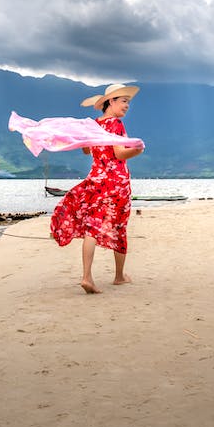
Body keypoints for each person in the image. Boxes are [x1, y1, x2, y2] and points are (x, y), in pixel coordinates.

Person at [50, 84, 144, 293]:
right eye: (124, 101)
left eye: (128, 102)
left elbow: (85, 150)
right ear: (111, 101)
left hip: (95, 181)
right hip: (116, 184)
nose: (127, 105)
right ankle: (119, 276)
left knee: (92, 227)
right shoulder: (116, 124)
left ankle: (87, 277)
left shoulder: (93, 125)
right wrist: (137, 150)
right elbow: (120, 154)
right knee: (119, 227)